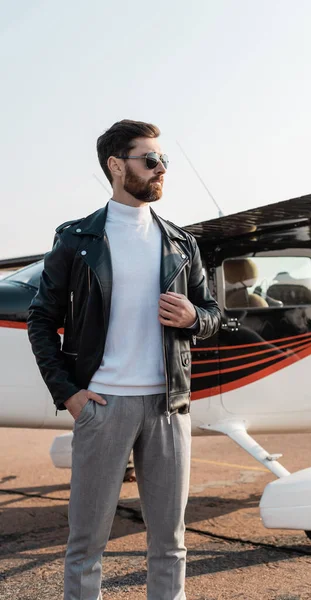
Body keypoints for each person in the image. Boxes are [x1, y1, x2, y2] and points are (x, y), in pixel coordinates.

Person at [26, 119, 221, 600]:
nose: (161, 170)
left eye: (164, 161)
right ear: (117, 166)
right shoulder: (76, 240)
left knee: (170, 544)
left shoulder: (181, 243)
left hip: (167, 408)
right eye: (150, 160)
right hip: (102, 406)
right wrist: (69, 394)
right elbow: (41, 320)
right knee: (86, 545)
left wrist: (194, 316)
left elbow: (216, 314)